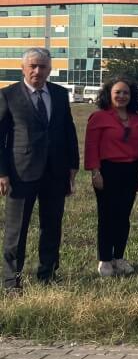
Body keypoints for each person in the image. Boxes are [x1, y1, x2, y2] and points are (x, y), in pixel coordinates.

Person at [0, 48, 80, 293]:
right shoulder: (8, 95)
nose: (37, 71)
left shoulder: (59, 94)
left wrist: (72, 166)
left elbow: (68, 130)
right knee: (16, 229)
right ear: (23, 68)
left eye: (42, 66)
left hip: (55, 172)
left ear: (50, 69)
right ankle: (12, 280)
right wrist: (2, 173)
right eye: (33, 66)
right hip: (20, 172)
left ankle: (48, 274)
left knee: (52, 226)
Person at [85, 77, 138, 276]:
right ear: (108, 95)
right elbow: (91, 146)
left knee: (123, 216)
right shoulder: (99, 117)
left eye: (126, 92)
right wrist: (95, 172)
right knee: (107, 216)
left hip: (131, 171)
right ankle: (104, 259)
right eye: (117, 92)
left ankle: (119, 257)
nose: (122, 96)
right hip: (107, 171)